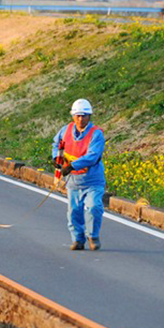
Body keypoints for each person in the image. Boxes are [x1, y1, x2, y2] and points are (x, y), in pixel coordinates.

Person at [52, 99, 106, 251]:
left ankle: (93, 236)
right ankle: (78, 239)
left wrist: (72, 166)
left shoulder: (96, 134)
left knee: (93, 207)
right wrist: (57, 159)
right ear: (73, 116)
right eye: (78, 115)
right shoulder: (65, 130)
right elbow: (56, 145)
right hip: (74, 181)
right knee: (74, 212)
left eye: (84, 115)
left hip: (92, 180)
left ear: (89, 116)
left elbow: (93, 156)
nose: (81, 119)